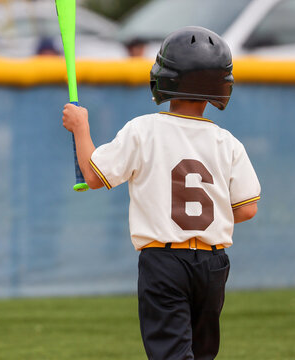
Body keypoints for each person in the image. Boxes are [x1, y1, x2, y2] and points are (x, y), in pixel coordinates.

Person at [62, 26, 261, 360]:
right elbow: (247, 209)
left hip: (164, 262)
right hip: (213, 265)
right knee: (201, 354)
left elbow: (93, 176)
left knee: (170, 353)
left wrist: (81, 129)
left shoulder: (144, 130)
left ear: (165, 79)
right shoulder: (228, 143)